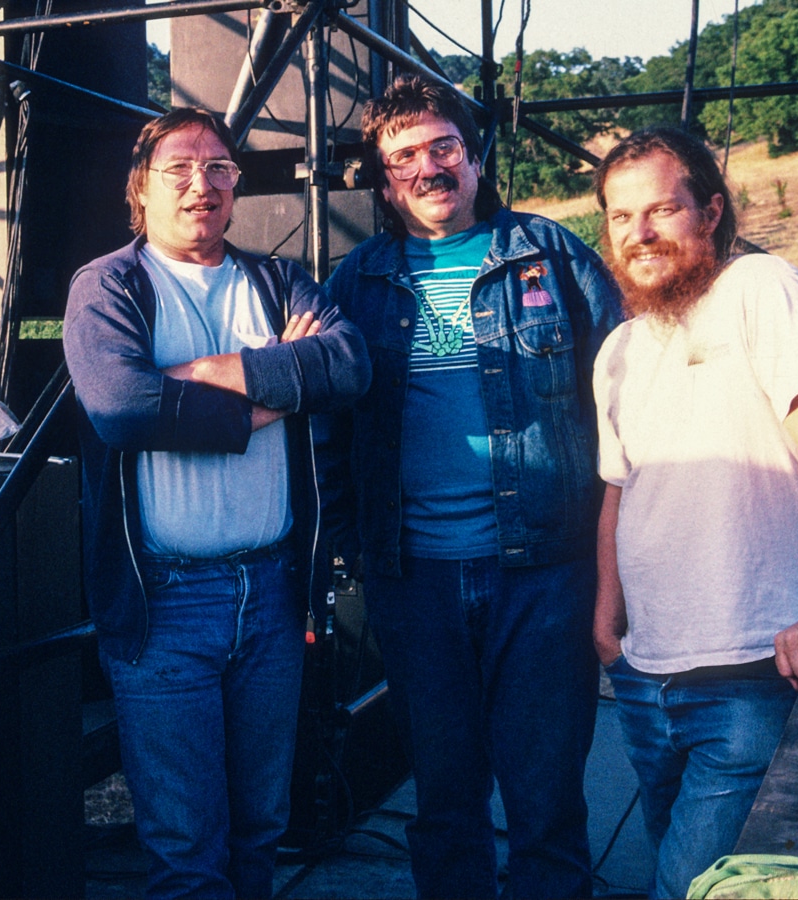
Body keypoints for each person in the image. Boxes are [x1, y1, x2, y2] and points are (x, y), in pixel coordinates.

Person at [319, 75, 624, 899]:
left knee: (546, 802)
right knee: (445, 805)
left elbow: (634, 393)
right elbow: (328, 434)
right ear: (386, 182)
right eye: (405, 157)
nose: (428, 167)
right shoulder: (358, 283)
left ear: (476, 155)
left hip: (547, 574)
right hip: (413, 580)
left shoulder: (552, 253)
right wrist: (359, 549)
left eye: (442, 146)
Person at [63, 107, 370, 899]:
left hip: (270, 593)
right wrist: (272, 388)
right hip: (166, 603)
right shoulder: (109, 285)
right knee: (186, 846)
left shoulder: (278, 279)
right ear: (141, 188)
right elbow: (123, 407)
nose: (203, 184)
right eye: (180, 168)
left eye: (220, 168)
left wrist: (204, 374)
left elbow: (347, 364)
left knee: (261, 829)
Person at [590, 127, 798, 899]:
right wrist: (605, 620)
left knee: (688, 885)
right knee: (693, 872)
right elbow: (620, 488)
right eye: (619, 217)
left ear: (711, 212)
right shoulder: (621, 348)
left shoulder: (761, 289)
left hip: (749, 667)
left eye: (661, 211)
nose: (639, 234)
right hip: (646, 676)